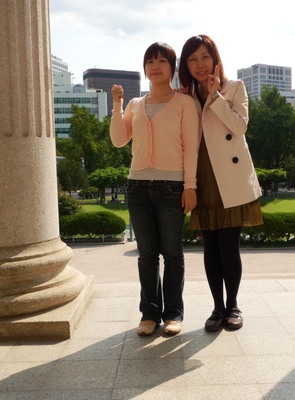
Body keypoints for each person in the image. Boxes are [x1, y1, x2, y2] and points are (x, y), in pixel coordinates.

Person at [110, 42, 200, 337]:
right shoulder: (136, 104)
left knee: (172, 253)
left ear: (172, 67)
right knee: (147, 255)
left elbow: (191, 148)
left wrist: (190, 186)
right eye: (150, 61)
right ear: (145, 68)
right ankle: (149, 314)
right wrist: (117, 105)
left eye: (161, 61)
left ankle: (173, 314)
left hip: (172, 187)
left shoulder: (184, 103)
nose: (155, 66)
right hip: (137, 186)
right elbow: (118, 140)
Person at [179, 35, 263, 332]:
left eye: (204, 56)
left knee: (229, 246)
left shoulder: (234, 88)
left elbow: (239, 126)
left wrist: (216, 97)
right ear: (186, 66)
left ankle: (233, 306)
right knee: (210, 247)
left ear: (215, 59)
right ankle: (217, 308)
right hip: (202, 176)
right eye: (192, 59)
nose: (199, 64)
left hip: (230, 176)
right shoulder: (186, 97)